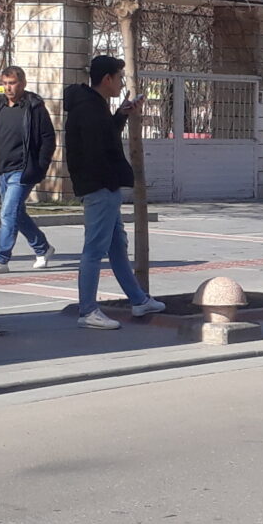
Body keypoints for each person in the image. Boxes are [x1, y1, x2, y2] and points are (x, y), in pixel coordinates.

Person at [58, 53, 163, 329]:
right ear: (107, 79)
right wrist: (109, 180)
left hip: (103, 186)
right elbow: (96, 151)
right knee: (94, 249)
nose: (120, 84)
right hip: (100, 187)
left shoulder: (94, 105)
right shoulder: (90, 109)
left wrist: (121, 115)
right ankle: (88, 310)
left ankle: (139, 300)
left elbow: (105, 138)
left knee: (117, 247)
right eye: (119, 78)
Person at [0, 64, 57, 270]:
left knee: (8, 213)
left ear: (22, 83)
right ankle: (42, 248)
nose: (8, 88)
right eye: (5, 83)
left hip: (22, 170)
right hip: (1, 170)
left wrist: (40, 166)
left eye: (12, 83)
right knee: (16, 213)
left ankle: (1, 258)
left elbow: (48, 138)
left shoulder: (34, 107)